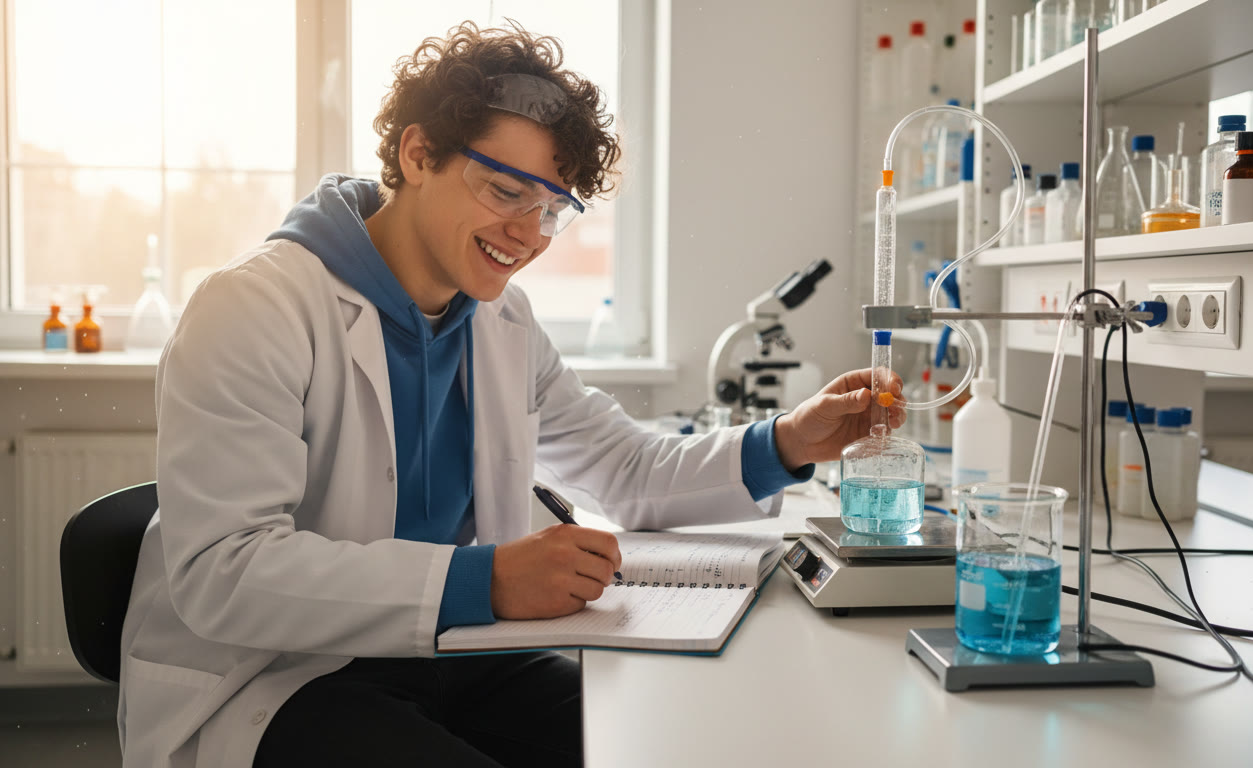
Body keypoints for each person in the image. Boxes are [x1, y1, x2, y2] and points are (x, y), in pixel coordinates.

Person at [118, 21, 905, 768]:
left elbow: (623, 467)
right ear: (417, 153)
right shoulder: (255, 308)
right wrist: (482, 580)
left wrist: (791, 442)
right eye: (505, 192)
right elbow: (224, 571)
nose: (529, 234)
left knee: (654, 744)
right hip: (284, 677)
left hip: (447, 653)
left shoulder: (499, 319)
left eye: (552, 209)